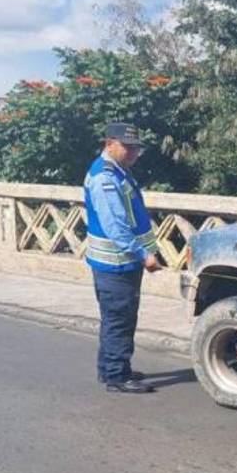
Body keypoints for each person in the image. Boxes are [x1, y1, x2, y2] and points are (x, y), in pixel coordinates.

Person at [83, 122, 161, 394]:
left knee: (115, 318)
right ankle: (117, 375)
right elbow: (115, 225)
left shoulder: (117, 171)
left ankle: (112, 368)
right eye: (127, 147)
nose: (133, 153)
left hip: (118, 262)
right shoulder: (105, 178)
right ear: (109, 144)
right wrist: (143, 255)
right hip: (116, 263)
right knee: (119, 319)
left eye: (136, 148)